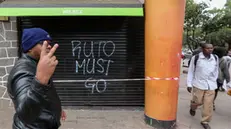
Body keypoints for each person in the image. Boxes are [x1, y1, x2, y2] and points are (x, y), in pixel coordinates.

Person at [7, 28, 66, 129]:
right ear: (30, 47)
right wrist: (40, 80)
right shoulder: (22, 71)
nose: (48, 46)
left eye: (49, 42)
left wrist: (56, 108)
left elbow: (46, 92)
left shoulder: (37, 64)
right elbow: (26, 116)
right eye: (43, 43)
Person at [187, 43, 219, 129]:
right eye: (208, 48)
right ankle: (193, 108)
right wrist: (189, 84)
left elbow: (216, 71)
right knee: (197, 101)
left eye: (211, 48)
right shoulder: (196, 58)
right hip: (198, 84)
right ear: (202, 49)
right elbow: (191, 71)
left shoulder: (215, 58)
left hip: (211, 85)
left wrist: (214, 80)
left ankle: (205, 121)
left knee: (208, 104)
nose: (210, 50)